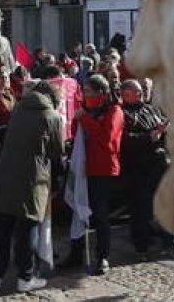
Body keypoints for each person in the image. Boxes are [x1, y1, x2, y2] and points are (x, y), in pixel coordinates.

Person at [0, 79, 65, 293]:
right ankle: (25, 276)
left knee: (3, 227)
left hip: (6, 173)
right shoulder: (52, 116)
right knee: (27, 227)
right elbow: (56, 152)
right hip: (33, 176)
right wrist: (58, 179)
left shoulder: (19, 109)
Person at [118, 79, 174, 260]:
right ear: (125, 95)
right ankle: (142, 247)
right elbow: (124, 140)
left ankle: (172, 243)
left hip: (159, 164)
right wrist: (150, 137)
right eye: (137, 92)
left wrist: (165, 131)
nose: (141, 95)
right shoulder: (121, 113)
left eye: (141, 92)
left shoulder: (151, 109)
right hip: (138, 168)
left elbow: (163, 124)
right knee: (140, 210)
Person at [65, 75, 123, 275]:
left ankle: (102, 256)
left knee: (100, 214)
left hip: (102, 170)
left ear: (101, 93)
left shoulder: (115, 111)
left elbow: (106, 138)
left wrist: (85, 119)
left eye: (88, 91)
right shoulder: (85, 110)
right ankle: (76, 252)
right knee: (77, 210)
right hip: (83, 168)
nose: (85, 95)